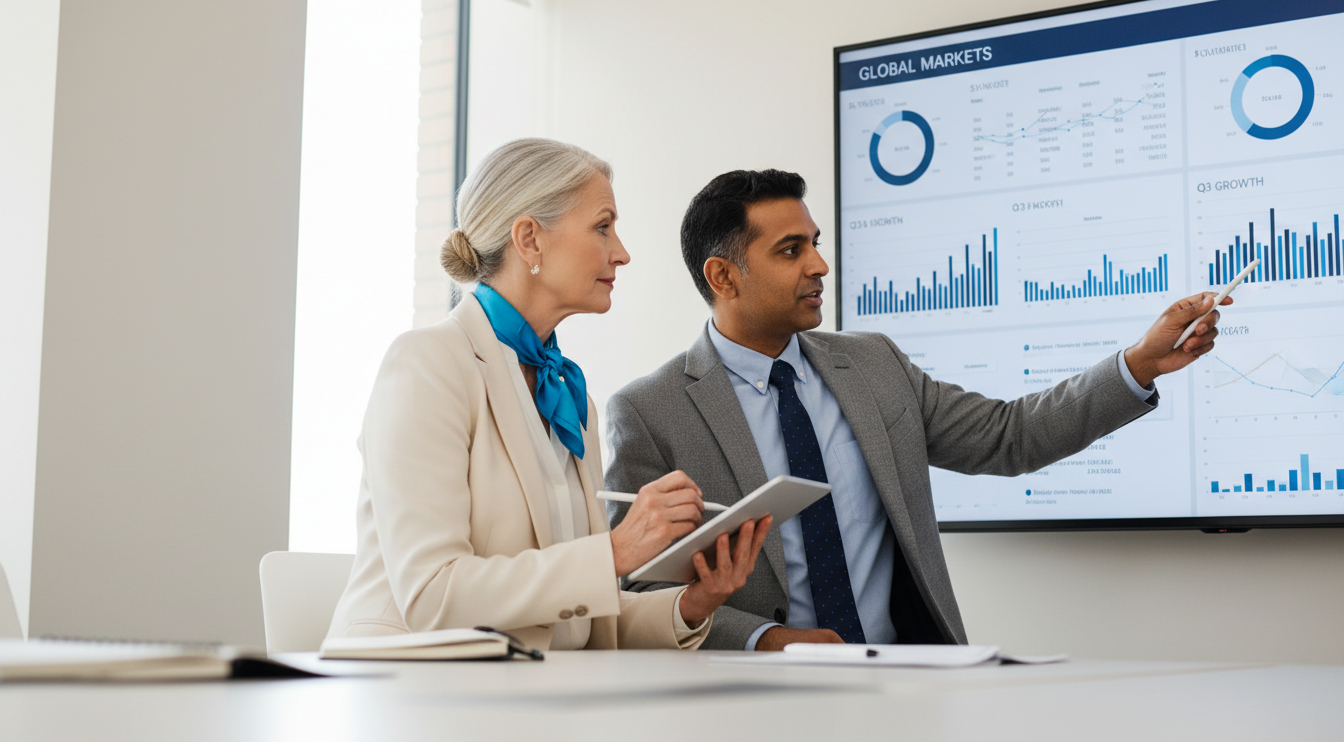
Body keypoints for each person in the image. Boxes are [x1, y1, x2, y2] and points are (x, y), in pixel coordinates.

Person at [605, 169, 1226, 651]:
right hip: (746, 701)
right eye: (791, 250)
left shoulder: (873, 364)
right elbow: (641, 591)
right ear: (723, 275)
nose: (820, 264)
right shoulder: (651, 410)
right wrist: (764, 639)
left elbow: (1009, 437)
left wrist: (1139, 363)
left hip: (905, 681)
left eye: (815, 244)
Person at [326, 140, 772, 651]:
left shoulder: (566, 390)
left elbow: (572, 616)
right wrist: (614, 552)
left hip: (527, 689)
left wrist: (692, 602)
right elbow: (434, 595)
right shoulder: (427, 364)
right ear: (530, 240)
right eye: (603, 226)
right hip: (409, 689)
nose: (621, 252)